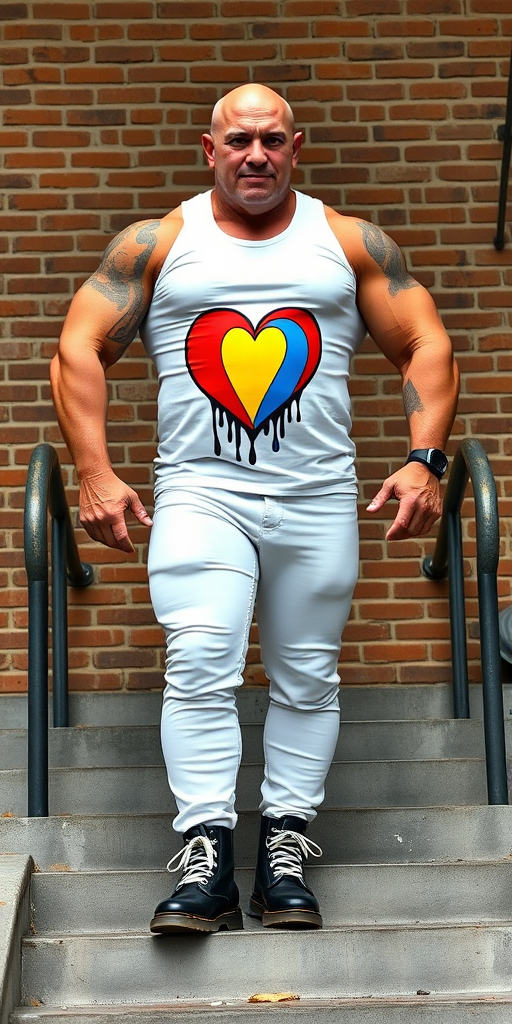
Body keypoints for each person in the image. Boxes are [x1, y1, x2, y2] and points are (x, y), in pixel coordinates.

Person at [51, 84, 459, 935]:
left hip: (317, 500)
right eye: (239, 141)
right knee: (200, 658)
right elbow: (78, 344)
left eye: (273, 140)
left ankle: (283, 850)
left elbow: (425, 339)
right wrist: (95, 473)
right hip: (202, 494)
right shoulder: (159, 243)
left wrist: (424, 462)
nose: (257, 156)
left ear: (296, 145)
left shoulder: (345, 243)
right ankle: (205, 855)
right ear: (210, 149)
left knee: (307, 676)